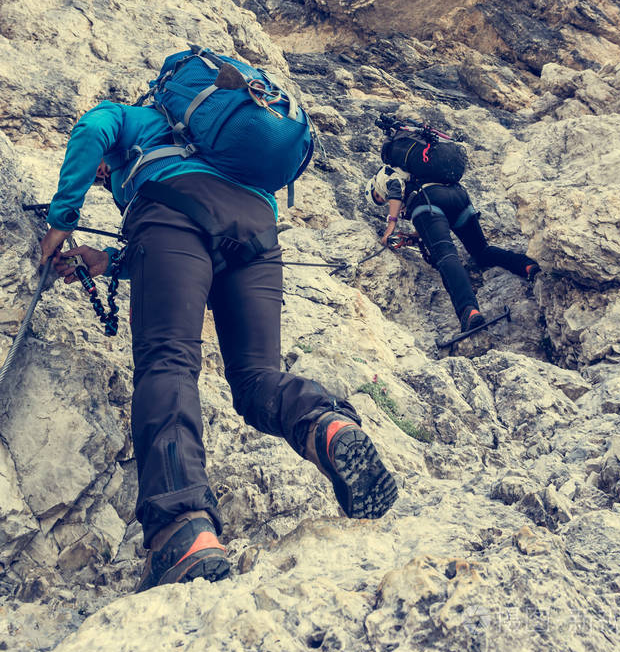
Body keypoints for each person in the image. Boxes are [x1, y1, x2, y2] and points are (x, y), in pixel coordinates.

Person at [40, 99, 398, 592]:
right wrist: (110, 261)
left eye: (104, 174)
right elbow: (179, 252)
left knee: (168, 363)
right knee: (257, 379)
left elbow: (91, 127)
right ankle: (329, 428)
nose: (104, 177)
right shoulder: (215, 152)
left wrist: (61, 220)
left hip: (171, 213)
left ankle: (182, 529)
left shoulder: (138, 119)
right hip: (256, 230)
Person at [365, 164, 539, 336]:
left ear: (374, 185)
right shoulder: (416, 169)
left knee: (446, 256)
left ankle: (469, 311)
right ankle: (527, 266)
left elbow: (396, 190)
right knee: (481, 251)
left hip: (428, 202)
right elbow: (435, 221)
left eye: (376, 196)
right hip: (458, 198)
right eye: (380, 202)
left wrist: (390, 227)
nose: (382, 199)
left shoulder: (386, 174)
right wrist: (416, 236)